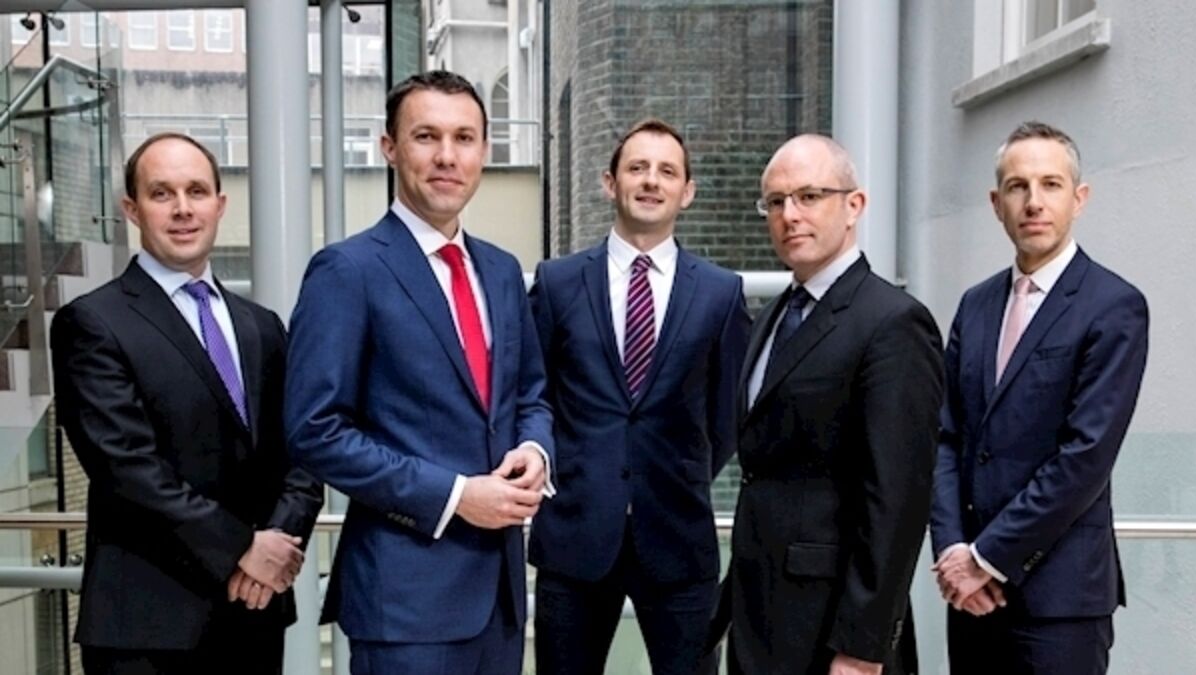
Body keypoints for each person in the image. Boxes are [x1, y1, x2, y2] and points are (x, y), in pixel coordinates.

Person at [284, 70, 554, 675]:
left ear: (484, 151)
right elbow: (314, 430)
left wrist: (536, 450)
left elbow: (530, 393)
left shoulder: (502, 271)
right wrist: (455, 497)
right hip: (405, 605)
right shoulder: (347, 271)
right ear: (390, 147)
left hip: (501, 599)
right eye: (426, 136)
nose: (446, 156)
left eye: (464, 138)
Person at [51, 132, 324, 675]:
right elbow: (127, 469)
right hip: (147, 628)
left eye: (196, 191)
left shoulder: (262, 326)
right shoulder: (92, 323)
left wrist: (274, 550)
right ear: (132, 209)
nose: (182, 209)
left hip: (254, 614)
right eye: (161, 193)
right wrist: (243, 548)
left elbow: (303, 449)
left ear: (219, 205)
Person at [527, 118, 750, 675]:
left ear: (686, 192)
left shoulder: (721, 294)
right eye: (637, 168)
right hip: (575, 537)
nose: (651, 181)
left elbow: (728, 414)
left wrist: (679, 472)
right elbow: (534, 395)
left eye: (667, 171)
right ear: (610, 183)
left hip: (679, 536)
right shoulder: (557, 283)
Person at [930, 121, 1149, 675]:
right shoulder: (975, 306)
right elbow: (945, 437)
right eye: (1017, 186)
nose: (1033, 201)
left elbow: (1085, 457)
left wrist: (986, 557)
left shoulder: (1113, 305)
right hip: (972, 599)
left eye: (1051, 184)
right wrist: (952, 550)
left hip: (1059, 603)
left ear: (1079, 198)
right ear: (996, 204)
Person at [720, 134, 943, 675]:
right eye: (776, 202)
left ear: (854, 205)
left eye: (809, 196)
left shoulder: (893, 322)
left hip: (834, 630)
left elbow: (897, 499)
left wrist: (863, 647)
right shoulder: (772, 317)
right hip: (759, 615)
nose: (790, 215)